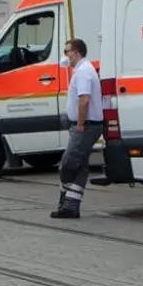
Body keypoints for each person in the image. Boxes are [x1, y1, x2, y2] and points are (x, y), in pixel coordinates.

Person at [51, 38, 103, 219]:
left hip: (85, 126)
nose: (66, 56)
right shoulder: (82, 70)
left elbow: (84, 100)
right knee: (79, 166)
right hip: (85, 126)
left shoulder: (83, 72)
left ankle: (65, 199)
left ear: (76, 52)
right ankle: (71, 207)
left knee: (68, 163)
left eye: (67, 51)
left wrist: (80, 124)